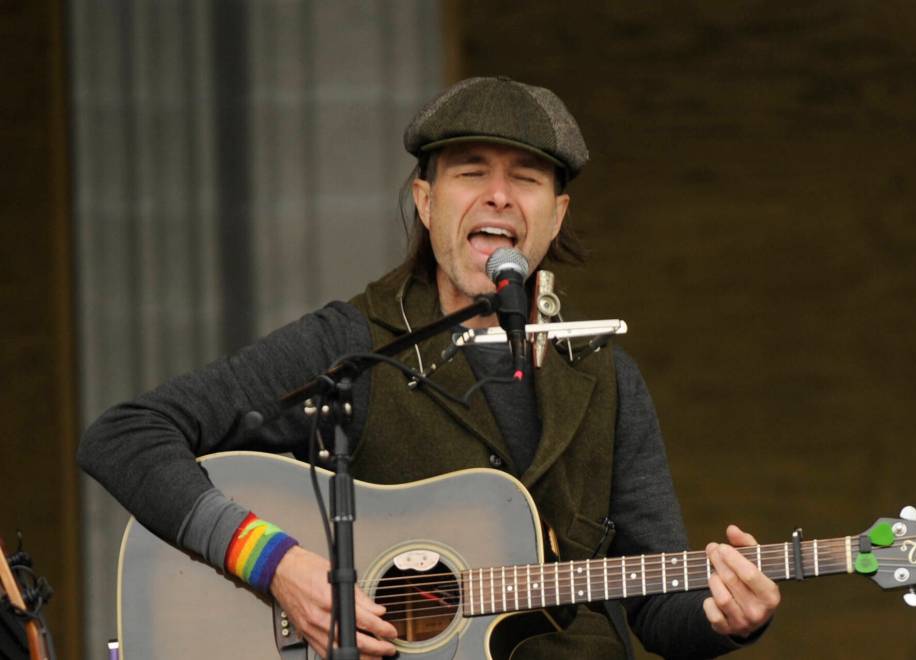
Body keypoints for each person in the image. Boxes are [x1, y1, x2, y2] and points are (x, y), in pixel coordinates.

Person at [79, 76, 779, 659]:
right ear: (425, 199)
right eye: (472, 173)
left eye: (526, 179)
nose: (499, 196)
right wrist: (279, 567)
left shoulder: (603, 375)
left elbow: (658, 610)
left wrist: (725, 617)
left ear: (556, 215)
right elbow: (125, 436)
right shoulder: (352, 345)